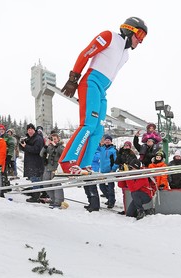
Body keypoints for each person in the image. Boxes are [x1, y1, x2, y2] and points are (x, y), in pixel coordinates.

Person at [59, 17, 148, 173]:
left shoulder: (126, 54)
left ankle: (84, 164)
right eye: (139, 35)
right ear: (129, 29)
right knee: (88, 124)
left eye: (143, 38)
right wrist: (74, 78)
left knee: (98, 130)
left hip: (102, 90)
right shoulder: (109, 37)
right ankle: (67, 162)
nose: (140, 41)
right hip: (91, 83)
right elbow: (85, 53)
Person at [19, 123, 45, 203]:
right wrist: (22, 145)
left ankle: (36, 196)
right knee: (35, 179)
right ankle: (39, 193)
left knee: (36, 179)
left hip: (36, 163)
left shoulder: (38, 138)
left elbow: (37, 150)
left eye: (31, 129)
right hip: (31, 162)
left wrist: (25, 146)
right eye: (28, 130)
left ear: (34, 130)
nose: (30, 131)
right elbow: (26, 149)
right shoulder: (29, 138)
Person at [40, 133, 65, 208]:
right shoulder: (49, 147)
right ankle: (53, 199)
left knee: (56, 184)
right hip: (48, 167)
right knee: (46, 183)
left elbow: (63, 154)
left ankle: (59, 201)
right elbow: (41, 154)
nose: (53, 140)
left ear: (58, 139)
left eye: (55, 139)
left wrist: (56, 146)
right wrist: (45, 146)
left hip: (56, 168)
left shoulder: (60, 146)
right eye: (52, 139)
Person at [97, 135, 118, 208]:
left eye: (109, 140)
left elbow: (117, 161)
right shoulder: (102, 148)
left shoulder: (114, 150)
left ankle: (111, 201)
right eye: (106, 140)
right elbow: (95, 146)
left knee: (110, 187)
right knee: (101, 186)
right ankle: (109, 198)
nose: (107, 141)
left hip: (110, 171)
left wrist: (113, 169)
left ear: (111, 141)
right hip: (102, 171)